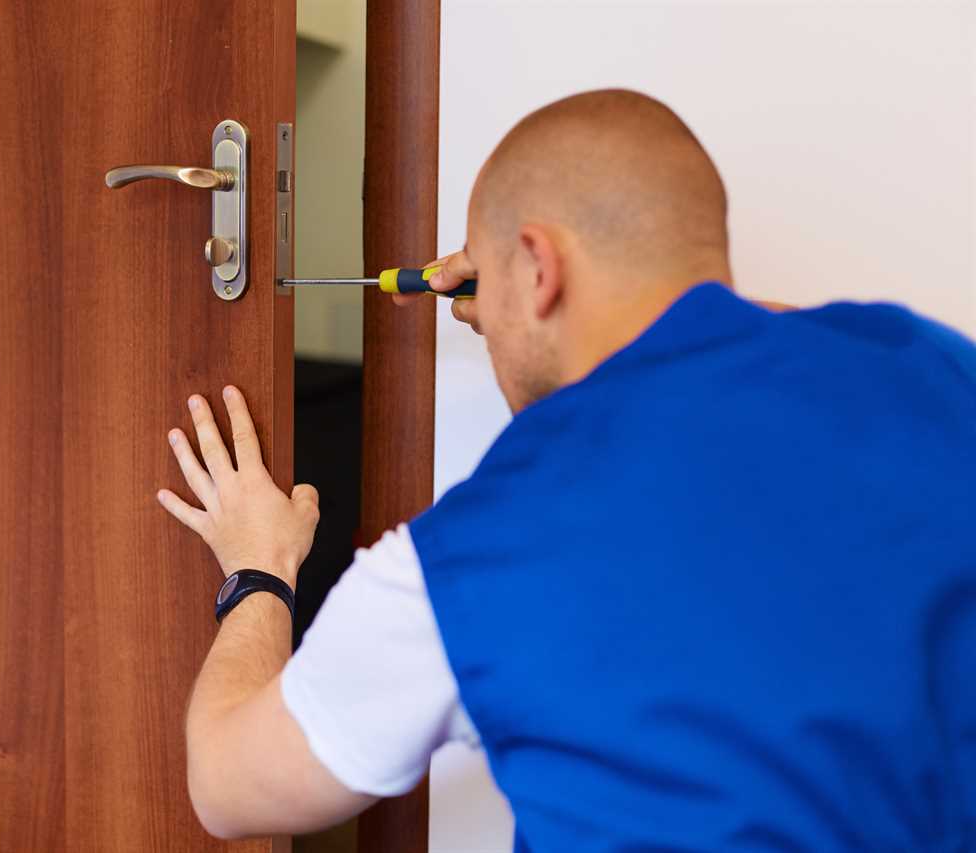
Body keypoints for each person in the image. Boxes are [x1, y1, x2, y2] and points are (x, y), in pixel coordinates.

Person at [155, 89, 976, 849]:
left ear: (541, 267)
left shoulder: (476, 554)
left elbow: (229, 785)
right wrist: (534, 297)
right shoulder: (939, 370)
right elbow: (767, 338)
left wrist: (259, 568)